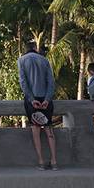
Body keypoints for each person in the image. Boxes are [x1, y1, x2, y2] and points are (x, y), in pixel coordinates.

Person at [18, 41, 58, 171]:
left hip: (32, 100)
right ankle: (54, 161)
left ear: (26, 49)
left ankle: (41, 161)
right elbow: (51, 82)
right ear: (35, 48)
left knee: (36, 130)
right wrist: (47, 99)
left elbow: (23, 83)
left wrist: (31, 99)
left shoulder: (21, 60)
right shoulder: (45, 60)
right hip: (45, 99)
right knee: (48, 129)